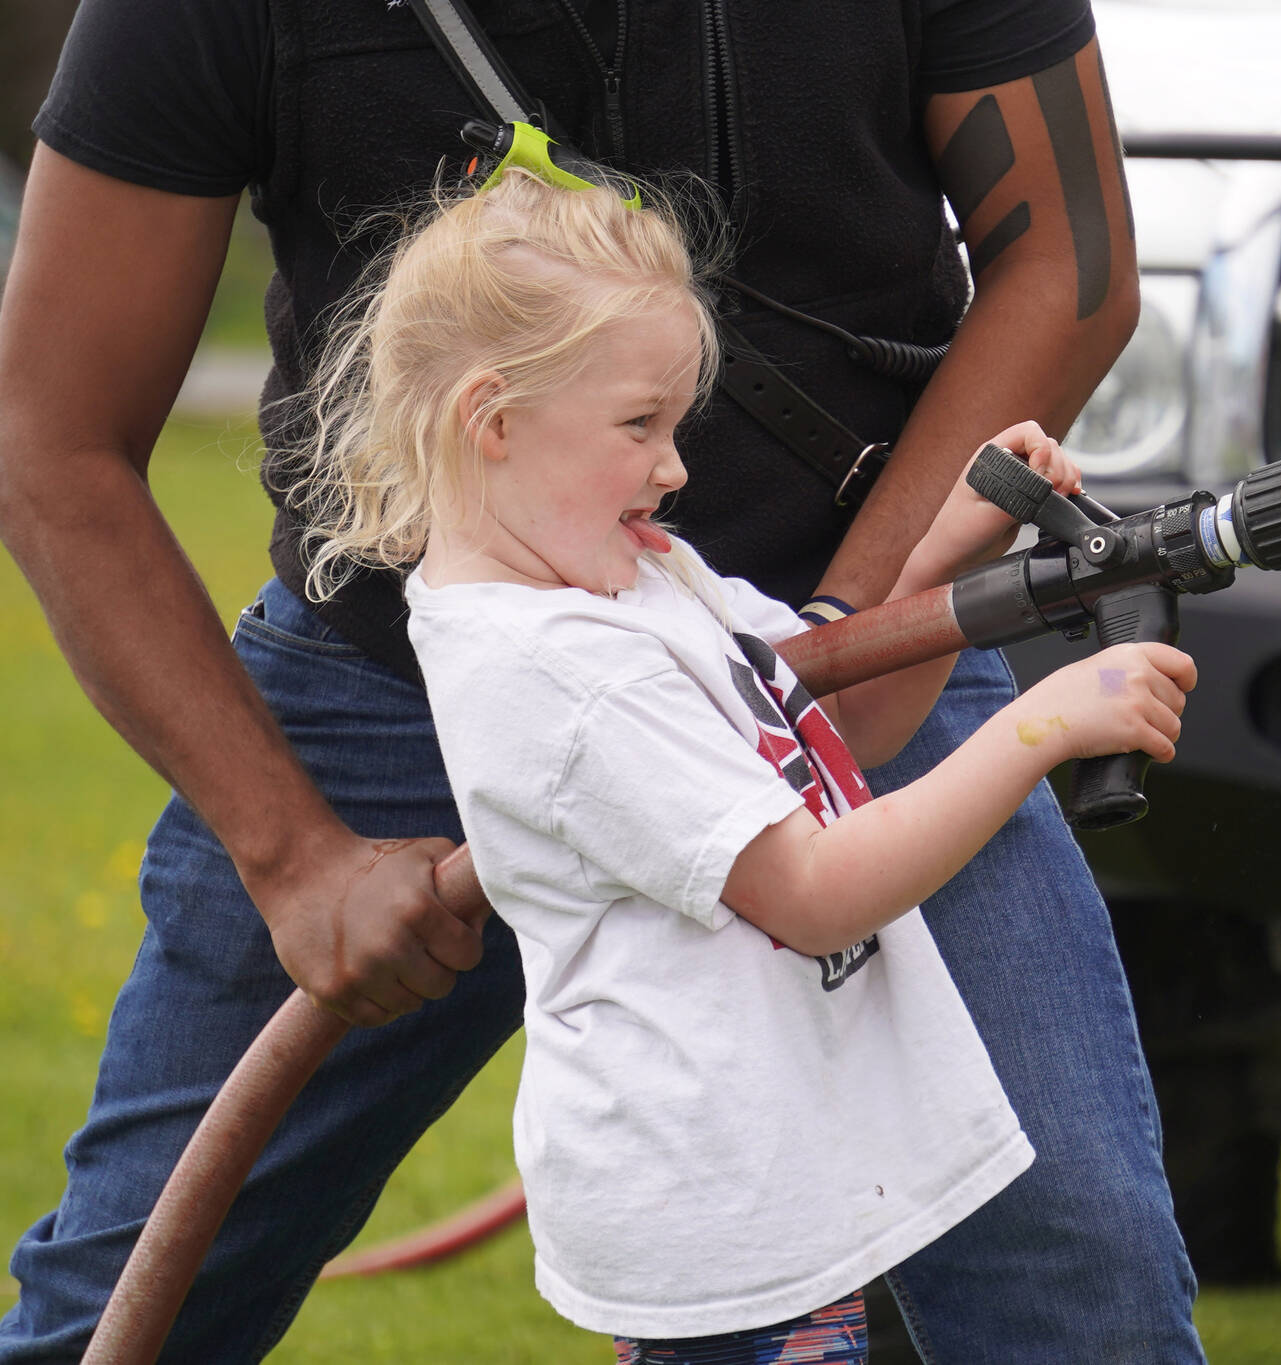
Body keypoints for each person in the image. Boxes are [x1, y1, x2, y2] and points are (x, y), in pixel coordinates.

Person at [0, 0, 1205, 1361]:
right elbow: (53, 440)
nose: (670, 460)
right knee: (129, 1299)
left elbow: (1073, 267)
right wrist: (294, 856)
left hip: (813, 642)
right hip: (395, 701)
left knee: (1073, 1282)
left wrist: (853, 634)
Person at [287, 167, 1195, 1359]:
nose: (673, 469)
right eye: (637, 427)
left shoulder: (639, 580)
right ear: (493, 420)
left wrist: (944, 563)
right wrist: (1039, 729)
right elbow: (814, 895)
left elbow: (829, 712)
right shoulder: (560, 670)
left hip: (782, 1181)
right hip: (721, 1233)